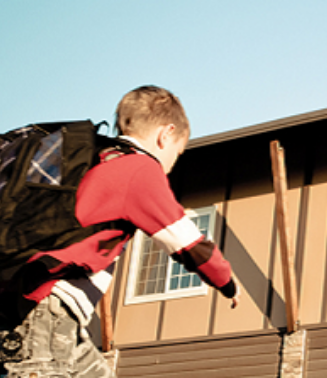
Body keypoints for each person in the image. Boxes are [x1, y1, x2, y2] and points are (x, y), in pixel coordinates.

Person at [0, 85, 239, 377]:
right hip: (46, 309)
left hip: (61, 319)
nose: (170, 167)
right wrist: (228, 283)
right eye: (176, 155)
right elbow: (187, 242)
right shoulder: (138, 169)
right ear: (166, 134)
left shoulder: (101, 159)